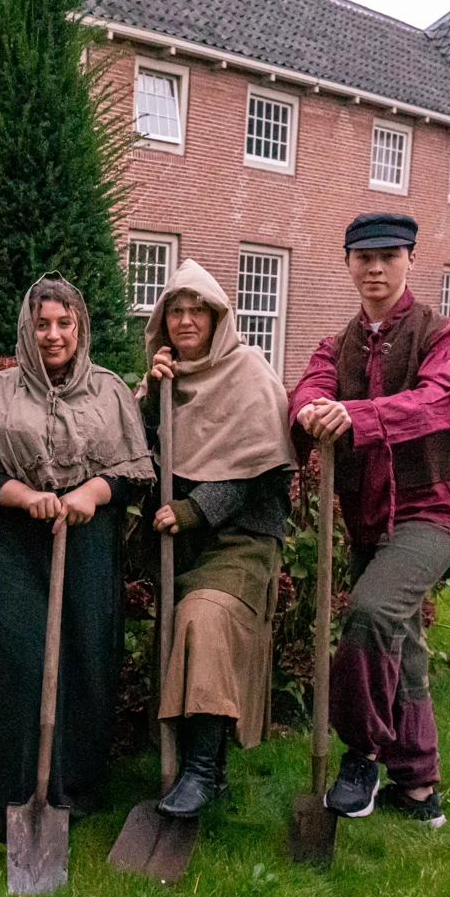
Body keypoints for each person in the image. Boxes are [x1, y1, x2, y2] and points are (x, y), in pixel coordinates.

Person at [0, 274, 153, 837]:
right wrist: (25, 496)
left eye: (64, 323)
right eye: (42, 324)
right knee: (16, 664)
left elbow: (131, 475)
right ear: (27, 329)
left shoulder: (110, 392)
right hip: (7, 547)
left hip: (84, 547)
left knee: (80, 661)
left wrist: (89, 494)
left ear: (80, 327)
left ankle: (69, 788)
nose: (53, 335)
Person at [289, 212, 450, 829]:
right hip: (367, 516)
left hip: (432, 512)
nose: (375, 267)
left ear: (410, 261)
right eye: (363, 257)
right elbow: (308, 393)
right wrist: (313, 412)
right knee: (402, 641)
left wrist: (355, 416)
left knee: (371, 610)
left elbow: (439, 401)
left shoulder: (444, 334)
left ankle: (361, 754)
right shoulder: (332, 346)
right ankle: (420, 788)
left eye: (389, 256)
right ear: (347, 263)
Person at [141, 260, 298, 819]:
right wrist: (149, 396)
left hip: (242, 541)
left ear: (216, 317)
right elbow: (143, 456)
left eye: (197, 310)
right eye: (175, 311)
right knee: (181, 636)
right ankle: (211, 771)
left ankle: (201, 772)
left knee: (203, 619)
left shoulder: (249, 371)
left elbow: (266, 473)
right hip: (181, 545)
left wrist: (195, 509)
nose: (186, 320)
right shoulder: (165, 378)